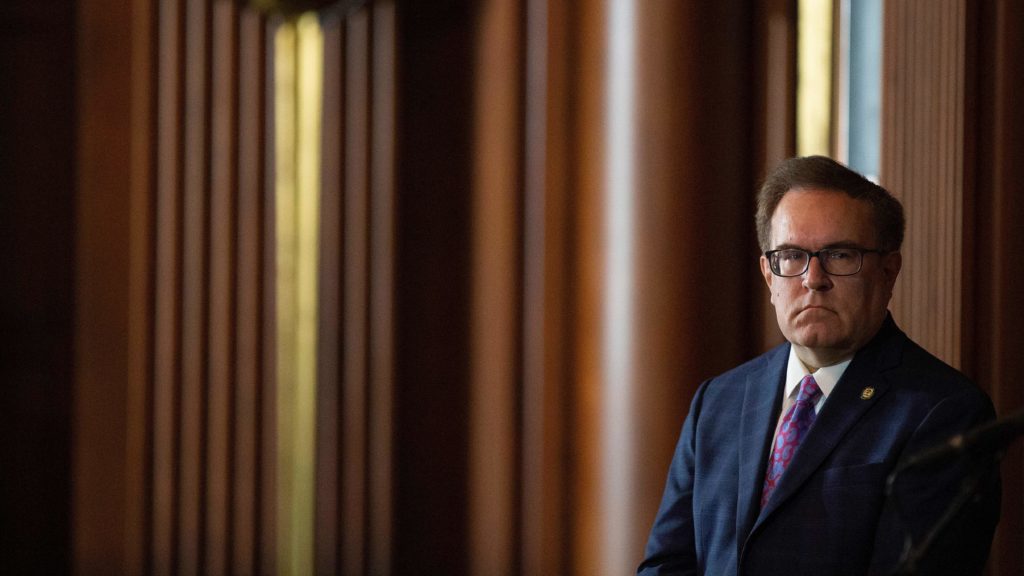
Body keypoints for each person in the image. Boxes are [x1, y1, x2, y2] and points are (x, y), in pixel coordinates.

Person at [638, 156, 1001, 575]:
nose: (813, 278)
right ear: (769, 276)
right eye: (791, 256)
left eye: (840, 255)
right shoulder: (718, 401)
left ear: (888, 271)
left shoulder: (945, 412)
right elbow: (667, 565)